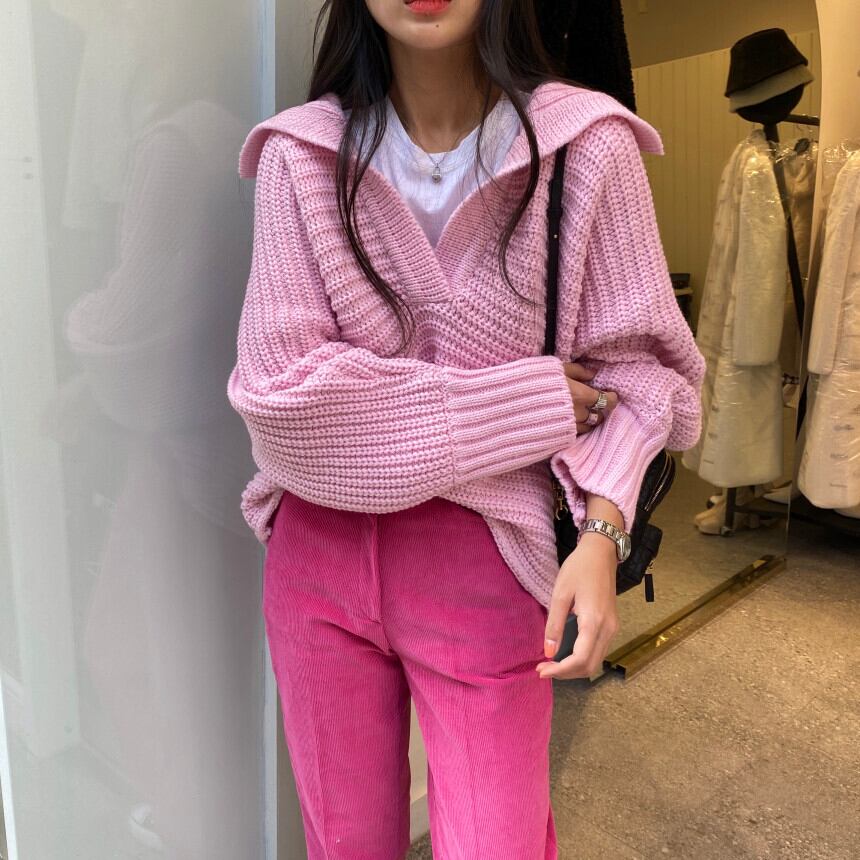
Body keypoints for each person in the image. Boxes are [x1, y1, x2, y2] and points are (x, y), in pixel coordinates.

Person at [226, 1, 705, 856]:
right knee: (343, 845)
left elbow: (640, 374)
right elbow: (279, 402)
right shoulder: (300, 155)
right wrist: (524, 404)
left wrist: (603, 534)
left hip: (487, 558)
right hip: (317, 553)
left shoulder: (587, 147)